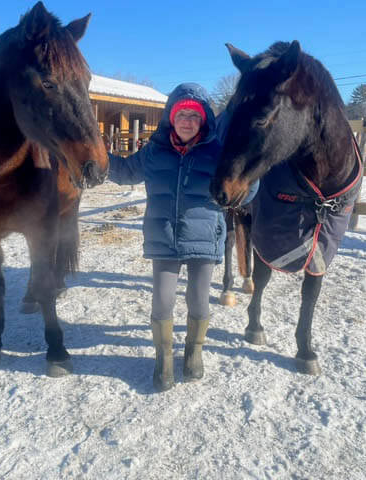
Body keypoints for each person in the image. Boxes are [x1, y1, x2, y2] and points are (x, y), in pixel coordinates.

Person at [108, 83, 256, 391]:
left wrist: (251, 175)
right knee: (162, 302)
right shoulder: (153, 152)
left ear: (204, 120)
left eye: (195, 115)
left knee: (198, 300)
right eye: (181, 113)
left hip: (204, 237)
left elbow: (245, 187)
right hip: (163, 238)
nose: (187, 120)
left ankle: (194, 354)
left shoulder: (218, 152)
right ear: (170, 118)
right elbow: (123, 172)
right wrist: (96, 153)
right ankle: (163, 360)